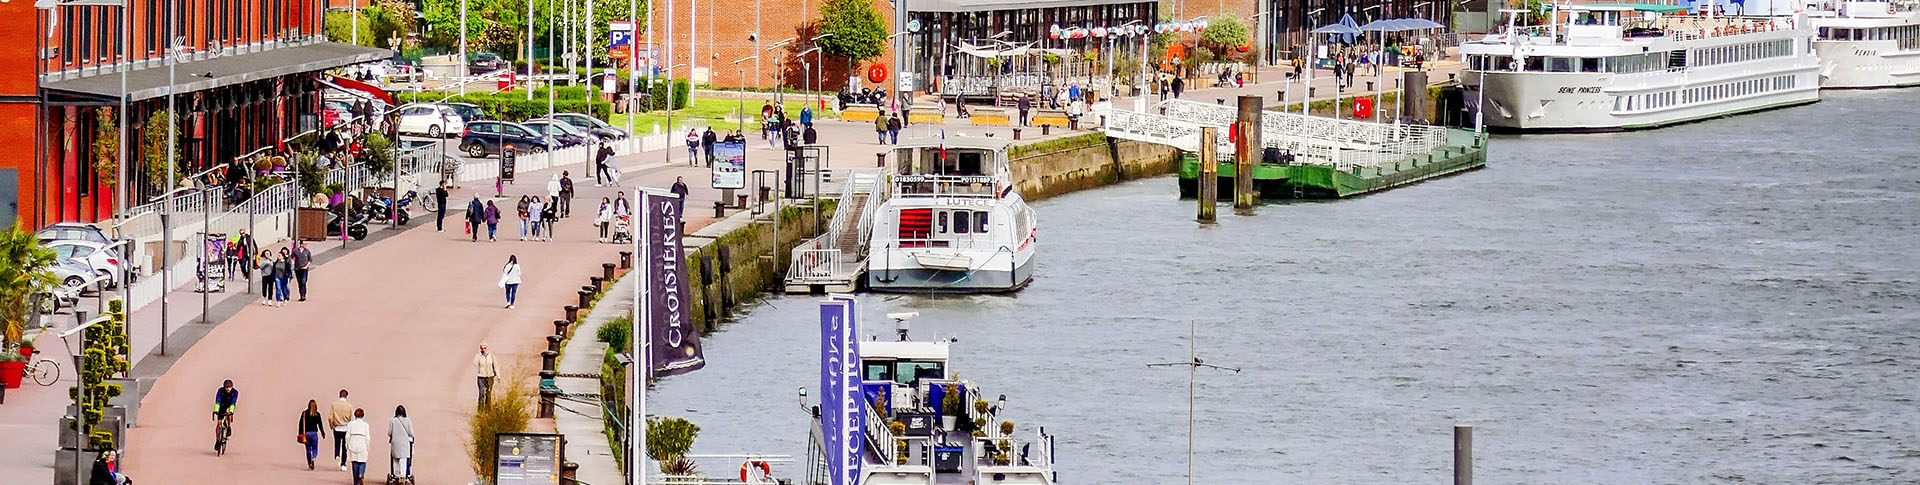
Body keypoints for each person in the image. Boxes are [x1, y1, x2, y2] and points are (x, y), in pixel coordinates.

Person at [328, 390, 354, 471]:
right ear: (346, 396)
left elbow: (330, 417)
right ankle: (343, 464)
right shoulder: (349, 406)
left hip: (337, 427)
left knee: (337, 444)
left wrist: (331, 425)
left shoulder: (334, 405)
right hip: (346, 428)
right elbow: (352, 418)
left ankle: (337, 455)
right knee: (345, 447)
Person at [388, 405, 414, 479]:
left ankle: (396, 475)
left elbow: (389, 432)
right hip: (405, 443)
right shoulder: (408, 420)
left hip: (395, 442)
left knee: (395, 459)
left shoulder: (392, 420)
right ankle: (402, 475)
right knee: (403, 459)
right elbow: (411, 432)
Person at [346, 408, 371, 485]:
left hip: (353, 442)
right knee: (362, 461)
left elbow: (347, 436)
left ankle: (356, 481)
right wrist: (367, 446)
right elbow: (367, 437)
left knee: (354, 462)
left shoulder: (350, 424)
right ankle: (361, 473)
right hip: (362, 442)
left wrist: (347, 445)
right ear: (363, 415)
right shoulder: (365, 425)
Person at [299, 400, 326, 470]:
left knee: (308, 450)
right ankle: (313, 458)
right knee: (315, 448)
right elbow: (320, 425)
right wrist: (323, 433)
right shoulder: (317, 414)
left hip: (306, 433)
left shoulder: (304, 413)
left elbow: (301, 424)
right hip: (314, 433)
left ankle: (309, 464)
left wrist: (300, 433)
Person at [212, 379, 239, 451]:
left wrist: (231, 411)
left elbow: (233, 401)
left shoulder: (235, 392)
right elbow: (218, 400)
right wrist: (216, 410)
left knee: (228, 414)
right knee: (219, 424)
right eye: (226, 387)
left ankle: (229, 426)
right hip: (222, 406)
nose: (228, 389)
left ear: (232, 387)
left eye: (229, 387)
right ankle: (217, 440)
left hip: (229, 406)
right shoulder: (220, 391)